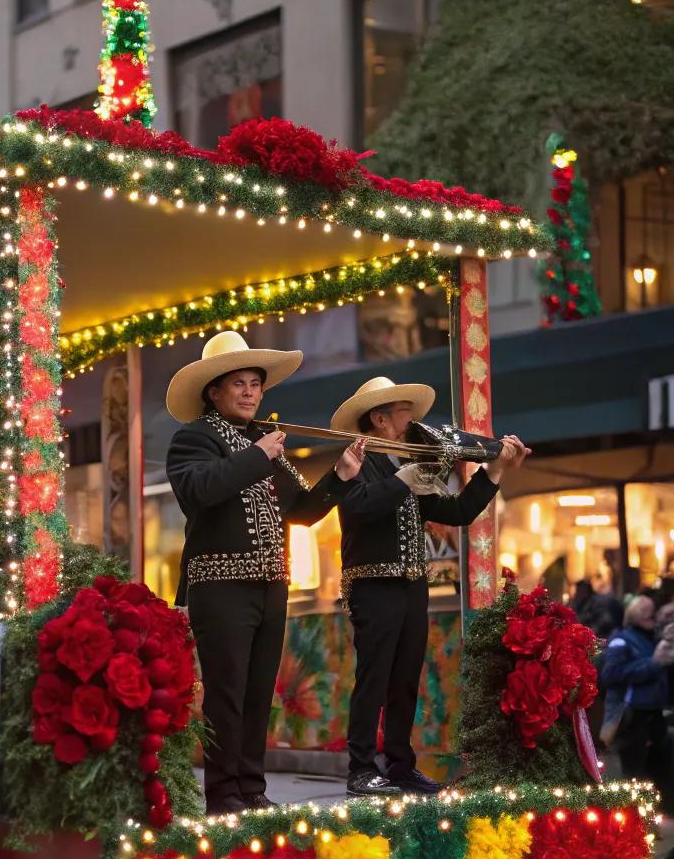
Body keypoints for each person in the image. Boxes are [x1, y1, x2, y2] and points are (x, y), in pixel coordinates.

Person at [166, 331, 365, 815]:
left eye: (256, 383)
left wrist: (339, 477)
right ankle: (222, 792)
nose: (252, 392)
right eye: (239, 383)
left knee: (259, 692)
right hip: (220, 586)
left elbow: (302, 511)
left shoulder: (261, 443)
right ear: (214, 391)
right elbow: (198, 490)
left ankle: (251, 787)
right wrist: (258, 457)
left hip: (271, 584)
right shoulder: (195, 438)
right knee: (227, 693)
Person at [332, 375, 530, 797]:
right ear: (381, 419)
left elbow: (456, 511)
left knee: (405, 677)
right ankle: (361, 767)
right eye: (405, 411)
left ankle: (401, 766)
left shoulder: (411, 463)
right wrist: (403, 479)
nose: (414, 419)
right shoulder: (358, 458)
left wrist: (491, 469)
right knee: (374, 677)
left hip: (411, 585)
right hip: (373, 584)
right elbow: (358, 508)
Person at [599, 595, 672, 808]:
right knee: (634, 772)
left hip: (655, 714)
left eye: (652, 609)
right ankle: (633, 820)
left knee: (660, 769)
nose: (651, 613)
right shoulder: (621, 640)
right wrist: (653, 663)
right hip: (631, 716)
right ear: (632, 614)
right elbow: (610, 675)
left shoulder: (654, 639)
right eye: (644, 609)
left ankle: (658, 818)